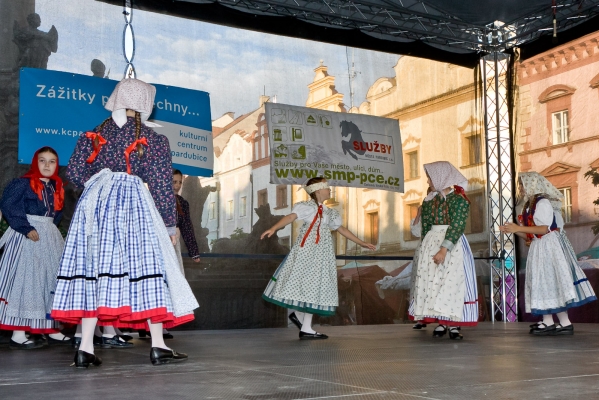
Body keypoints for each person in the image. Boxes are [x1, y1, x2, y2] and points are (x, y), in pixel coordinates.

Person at [51, 78, 199, 367]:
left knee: (94, 271)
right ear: (144, 104)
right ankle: (158, 346)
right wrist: (169, 225)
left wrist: (100, 183)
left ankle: (86, 348)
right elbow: (159, 185)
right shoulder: (154, 140)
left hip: (95, 207)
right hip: (133, 205)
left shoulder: (91, 135)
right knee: (149, 268)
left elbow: (75, 173)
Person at [261, 177, 376, 339]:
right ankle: (303, 323)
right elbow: (290, 217)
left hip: (322, 253)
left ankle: (302, 321)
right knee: (309, 283)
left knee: (314, 285)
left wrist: (361, 242)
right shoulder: (306, 207)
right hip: (307, 250)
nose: (329, 190)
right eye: (327, 187)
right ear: (318, 190)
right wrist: (274, 228)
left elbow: (342, 229)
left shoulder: (330, 212)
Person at [500, 172, 596, 335]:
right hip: (539, 246)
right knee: (542, 282)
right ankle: (548, 321)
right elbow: (531, 235)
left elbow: (544, 229)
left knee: (551, 281)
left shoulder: (542, 202)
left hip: (549, 246)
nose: (520, 188)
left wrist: (519, 228)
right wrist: (513, 230)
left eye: (522, 184)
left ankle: (565, 323)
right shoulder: (530, 205)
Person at [0, 147, 71, 349]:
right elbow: (8, 204)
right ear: (35, 162)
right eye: (42, 160)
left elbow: (56, 214)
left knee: (48, 281)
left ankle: (52, 328)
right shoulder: (23, 183)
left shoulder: (56, 187)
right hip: (28, 235)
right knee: (25, 282)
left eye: (51, 161)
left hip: (48, 236)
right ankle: (18, 333)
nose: (47, 165)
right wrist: (25, 227)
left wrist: (51, 230)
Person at [408, 161, 478, 340]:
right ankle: (441, 321)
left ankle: (453, 323)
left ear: (441, 177)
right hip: (432, 240)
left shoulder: (458, 199)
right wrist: (426, 249)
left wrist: (444, 249)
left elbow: (457, 225)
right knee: (435, 282)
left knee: (451, 281)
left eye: (430, 178)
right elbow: (425, 227)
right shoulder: (430, 200)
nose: (428, 182)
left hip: (451, 244)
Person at [172, 169, 201, 274]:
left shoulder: (183, 203)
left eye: (180, 182)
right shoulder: (158, 201)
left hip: (174, 244)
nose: (178, 185)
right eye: (174, 182)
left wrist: (194, 253)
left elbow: (187, 228)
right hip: (160, 244)